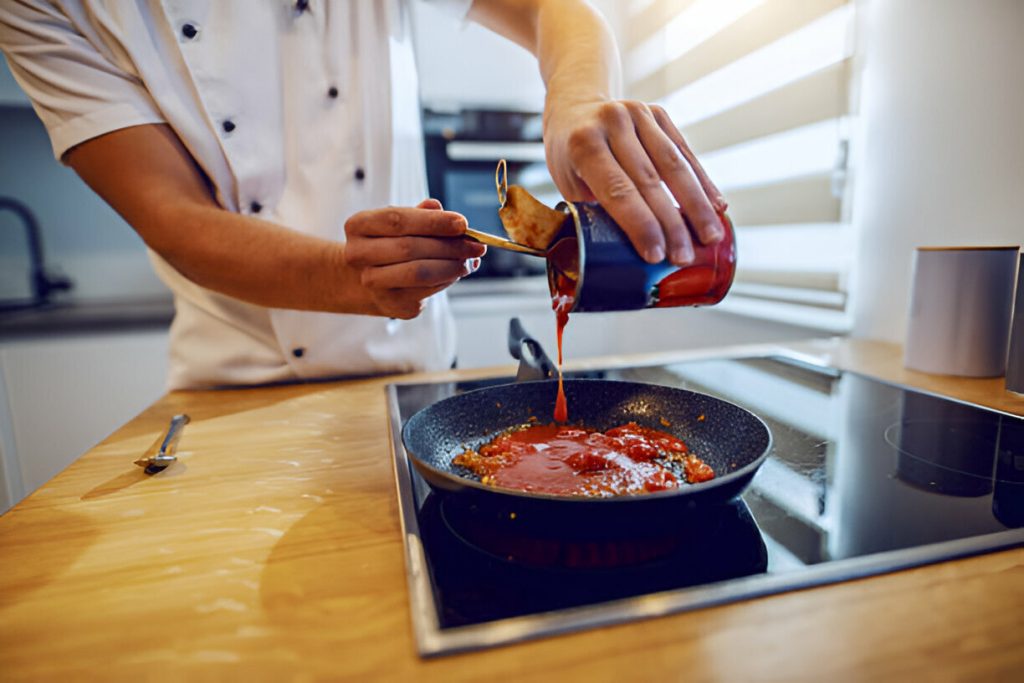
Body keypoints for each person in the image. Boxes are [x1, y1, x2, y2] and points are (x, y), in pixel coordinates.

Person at [0, 0, 725, 390]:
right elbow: (174, 218)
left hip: (414, 371)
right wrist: (350, 275)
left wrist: (576, 97)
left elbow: (555, 9)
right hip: (241, 380)